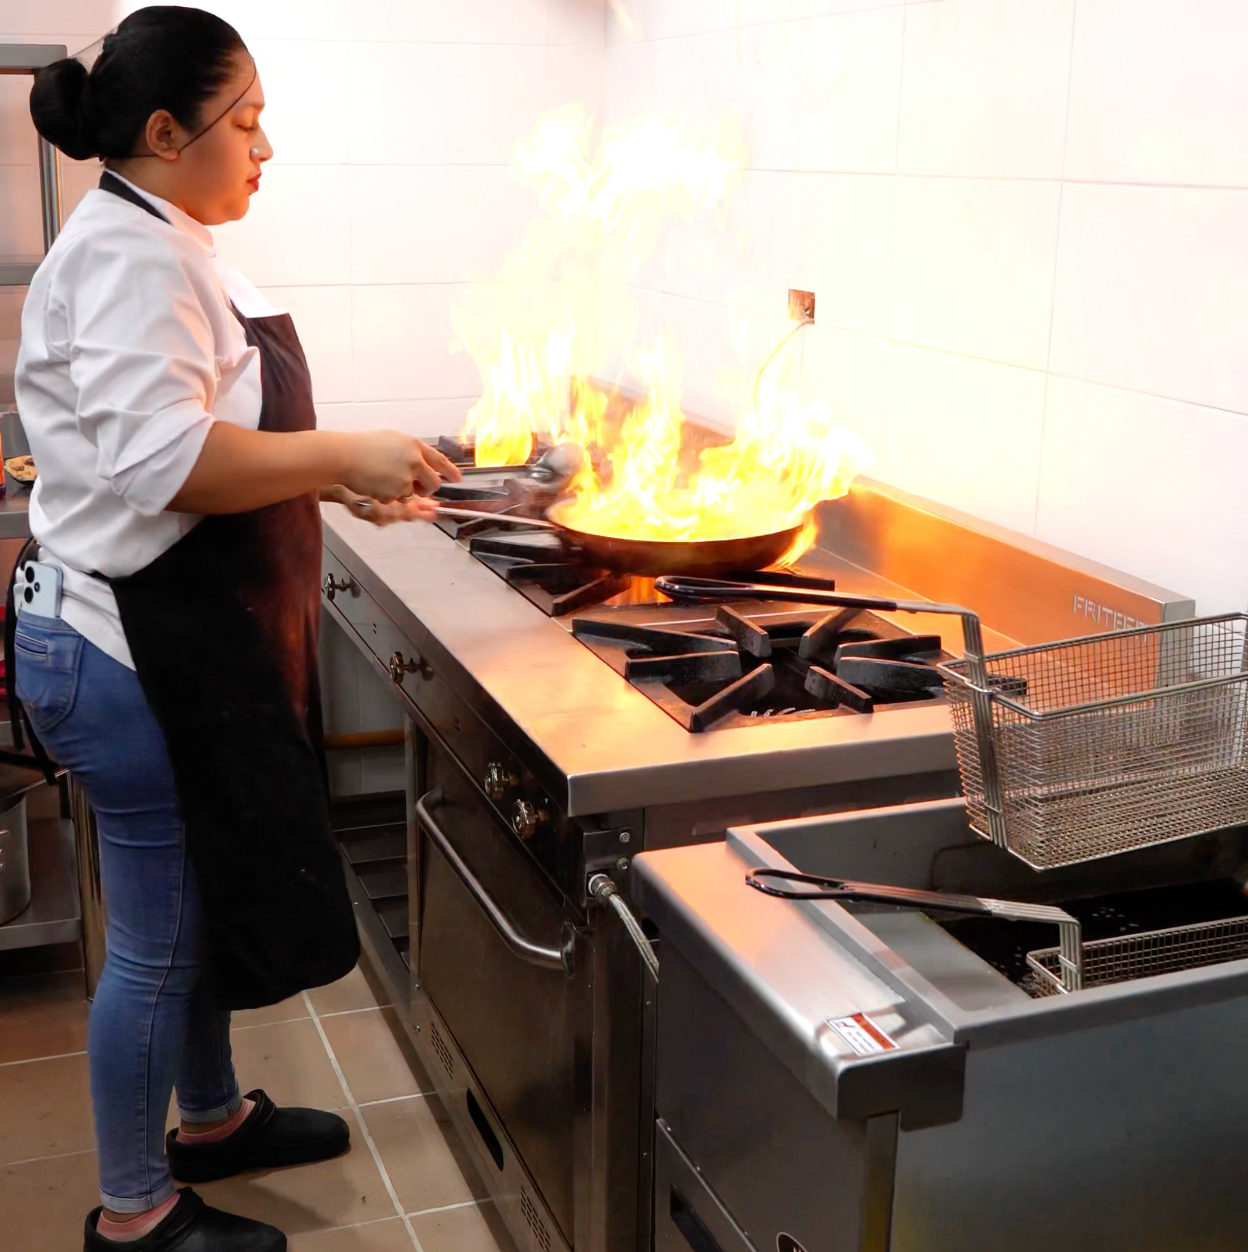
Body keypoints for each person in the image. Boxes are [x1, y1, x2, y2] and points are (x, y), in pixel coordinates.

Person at [15, 9, 462, 1250]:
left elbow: (215, 434)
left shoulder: (173, 240)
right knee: (158, 938)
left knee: (197, 890)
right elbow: (163, 461)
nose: (266, 147)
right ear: (166, 134)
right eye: (247, 120)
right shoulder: (129, 256)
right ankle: (134, 1210)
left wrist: (331, 478)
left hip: (174, 638)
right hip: (120, 648)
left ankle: (208, 1118)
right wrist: (335, 452)